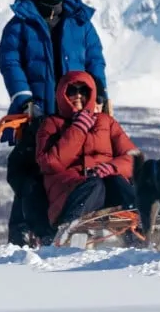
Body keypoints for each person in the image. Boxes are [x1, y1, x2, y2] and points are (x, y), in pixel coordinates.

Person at [0, 0, 110, 244]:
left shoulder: (80, 22)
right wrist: (22, 96)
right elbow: (10, 61)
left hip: (76, 108)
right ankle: (22, 231)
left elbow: (95, 58)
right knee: (30, 170)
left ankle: (72, 225)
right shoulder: (19, 24)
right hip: (39, 110)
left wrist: (99, 92)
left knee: (76, 168)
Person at [36, 71, 137, 232]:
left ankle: (141, 224)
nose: (77, 96)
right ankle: (69, 228)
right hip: (70, 192)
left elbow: (133, 158)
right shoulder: (51, 124)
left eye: (83, 91)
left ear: (91, 94)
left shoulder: (107, 122)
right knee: (94, 185)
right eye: (71, 91)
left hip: (106, 186)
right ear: (62, 95)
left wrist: (112, 167)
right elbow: (49, 164)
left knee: (115, 181)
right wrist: (77, 129)